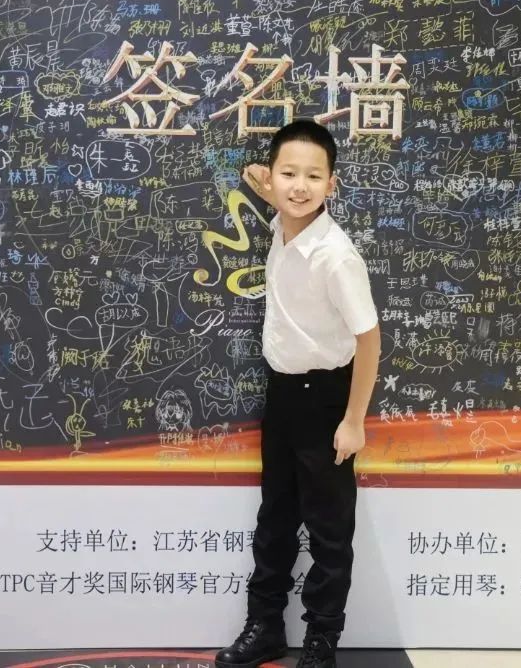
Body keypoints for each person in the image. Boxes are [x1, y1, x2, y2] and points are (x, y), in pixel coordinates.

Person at [215, 119, 381, 668]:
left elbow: (369, 339)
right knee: (276, 519)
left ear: (333, 184)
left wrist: (353, 421)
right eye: (289, 174)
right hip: (283, 394)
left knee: (329, 531)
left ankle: (320, 644)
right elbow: (274, 187)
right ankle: (264, 627)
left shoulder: (336, 255)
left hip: (326, 399)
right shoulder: (285, 225)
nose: (299, 186)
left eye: (314, 176)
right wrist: (270, 181)